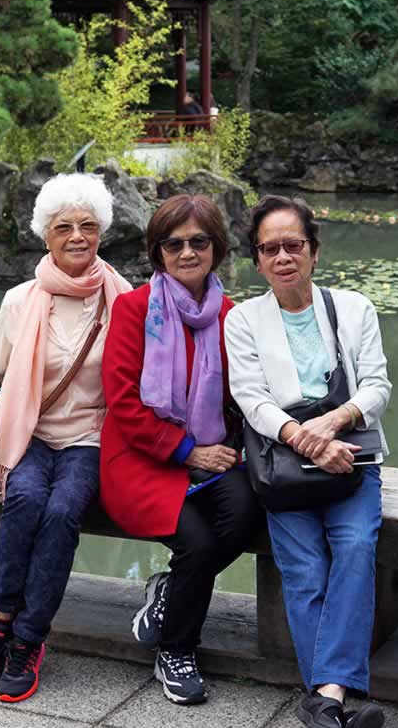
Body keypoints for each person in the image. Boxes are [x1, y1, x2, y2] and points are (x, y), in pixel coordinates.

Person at [225, 195, 392, 728]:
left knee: (356, 546)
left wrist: (336, 422)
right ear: (257, 260)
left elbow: (377, 386)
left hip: (352, 456)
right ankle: (332, 700)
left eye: (293, 245)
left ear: (314, 251)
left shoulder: (354, 308)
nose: (282, 257)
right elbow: (251, 399)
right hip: (283, 463)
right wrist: (308, 439)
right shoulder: (244, 319)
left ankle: (324, 700)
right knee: (304, 570)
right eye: (269, 248)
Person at [0, 174, 133, 704]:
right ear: (46, 235)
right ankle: (0, 617)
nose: (77, 236)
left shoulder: (124, 299)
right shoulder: (20, 300)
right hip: (31, 430)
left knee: (63, 511)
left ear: (102, 231)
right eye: (64, 227)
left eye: (88, 226)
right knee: (24, 497)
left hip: (91, 435)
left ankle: (28, 638)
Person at [101, 194, 262, 705]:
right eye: (174, 244)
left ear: (216, 247)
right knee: (197, 541)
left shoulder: (232, 315)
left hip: (214, 451)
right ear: (158, 252)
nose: (187, 252)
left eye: (198, 241)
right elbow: (123, 401)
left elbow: (246, 394)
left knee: (245, 514)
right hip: (141, 454)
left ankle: (169, 591)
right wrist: (186, 451)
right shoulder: (133, 309)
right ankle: (177, 649)